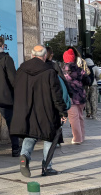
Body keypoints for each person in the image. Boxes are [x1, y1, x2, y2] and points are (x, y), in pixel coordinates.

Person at [10, 45, 68, 177]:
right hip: (46, 110)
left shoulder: (21, 70)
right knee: (49, 137)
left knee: (30, 135)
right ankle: (47, 167)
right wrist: (62, 111)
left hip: (26, 109)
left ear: (32, 55)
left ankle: (24, 156)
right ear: (45, 56)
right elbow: (56, 94)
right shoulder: (49, 71)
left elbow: (15, 88)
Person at [61, 50, 92, 144]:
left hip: (70, 97)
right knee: (80, 117)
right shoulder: (80, 70)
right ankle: (82, 136)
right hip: (81, 96)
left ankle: (77, 138)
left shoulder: (62, 71)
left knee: (73, 118)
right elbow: (88, 81)